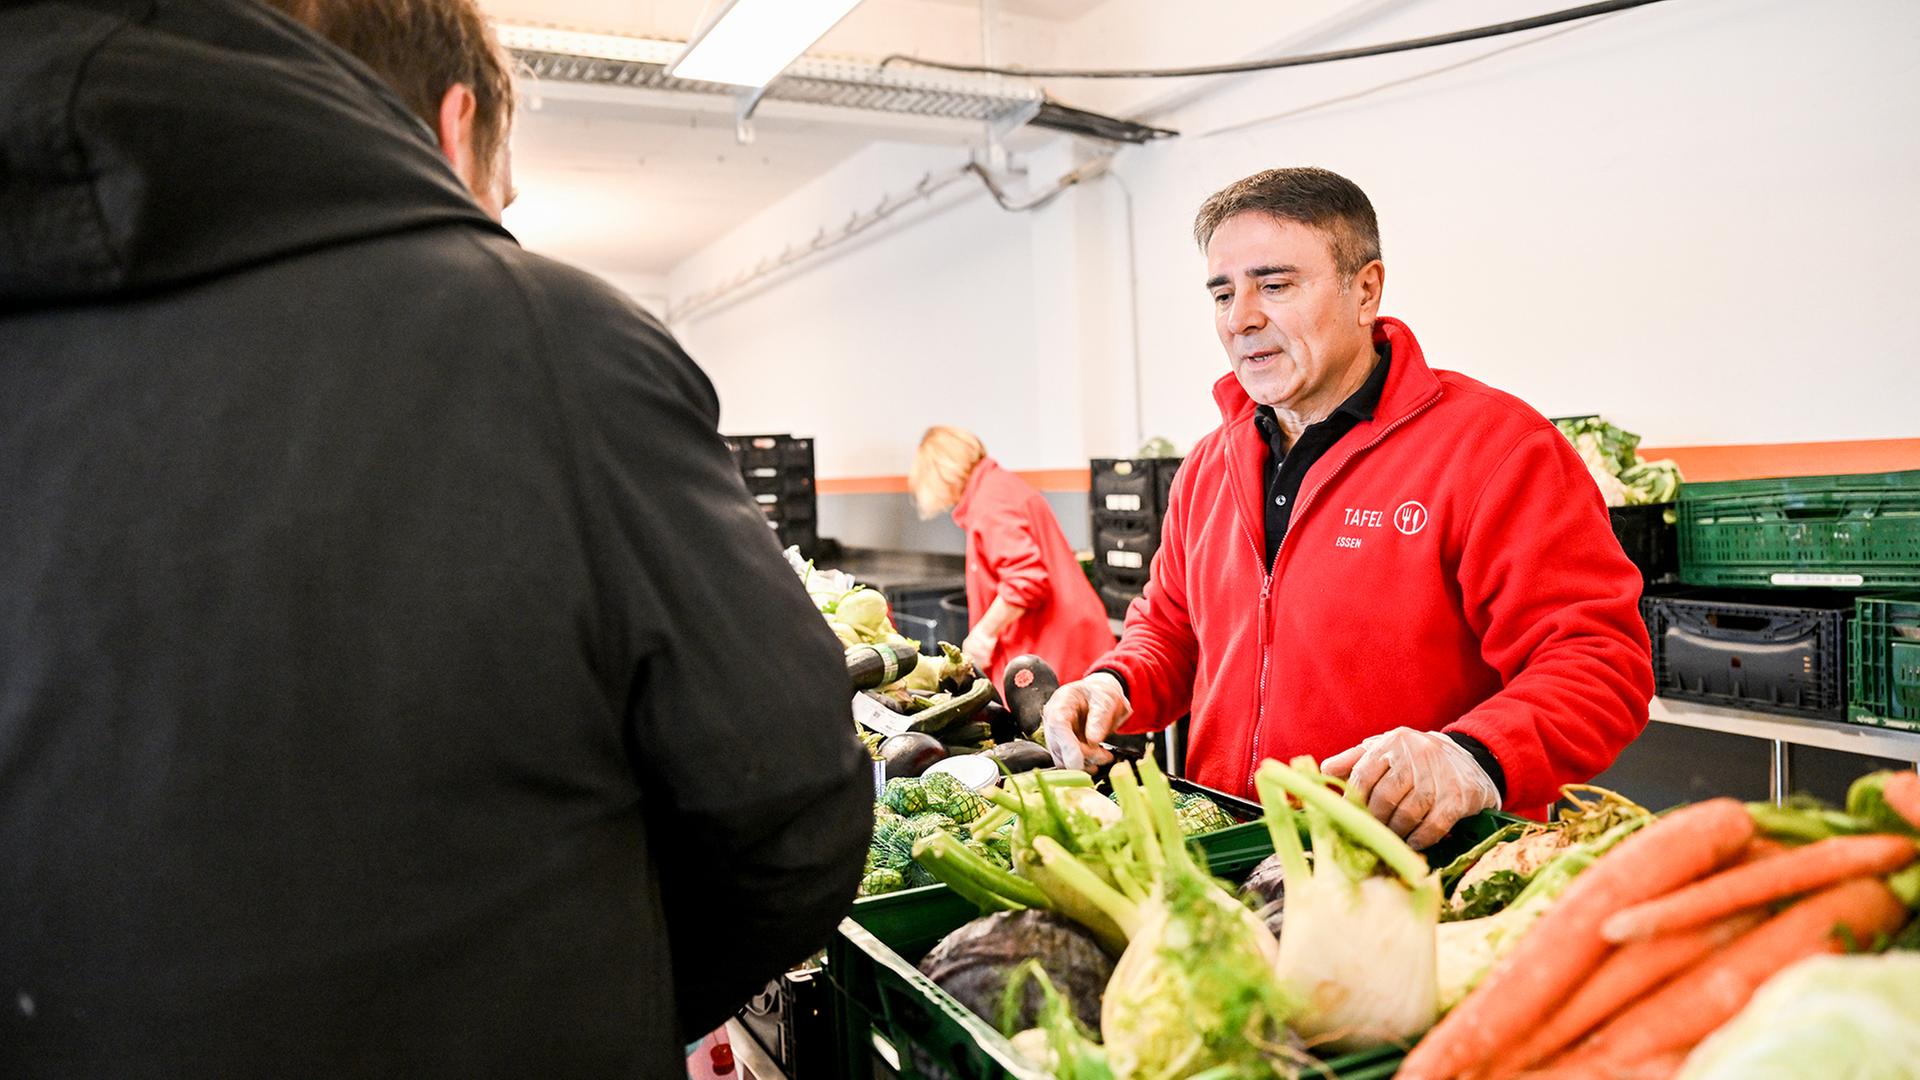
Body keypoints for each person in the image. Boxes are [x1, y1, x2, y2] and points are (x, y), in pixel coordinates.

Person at [0, 1, 870, 1076]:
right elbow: (793, 812)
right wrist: (603, 986)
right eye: (502, 194)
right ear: (455, 127)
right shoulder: (550, 346)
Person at [1042, 167, 1654, 847]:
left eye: (1273, 286)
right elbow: (1172, 629)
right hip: (1228, 857)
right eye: (1223, 292)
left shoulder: (1495, 450)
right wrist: (1114, 683)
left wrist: (1473, 756)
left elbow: (1598, 662)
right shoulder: (1209, 467)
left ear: (1365, 291)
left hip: (1418, 870)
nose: (1240, 317)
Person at [910, 426, 1117, 688]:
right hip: (1065, 641)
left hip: (1054, 650)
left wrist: (982, 634)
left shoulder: (990, 501)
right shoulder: (997, 487)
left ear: (942, 472)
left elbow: (1025, 580)